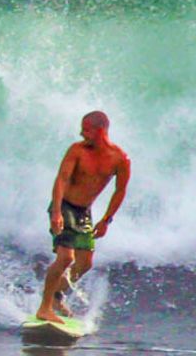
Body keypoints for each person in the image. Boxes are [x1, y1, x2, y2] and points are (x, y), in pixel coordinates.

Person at [35, 111, 131, 323]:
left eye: (86, 130)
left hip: (84, 213)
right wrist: (57, 212)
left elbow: (120, 191)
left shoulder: (120, 159)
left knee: (85, 263)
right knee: (66, 258)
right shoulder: (77, 150)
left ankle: (57, 296)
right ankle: (45, 308)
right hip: (65, 206)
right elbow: (62, 178)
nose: (81, 133)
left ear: (100, 131)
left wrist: (106, 219)